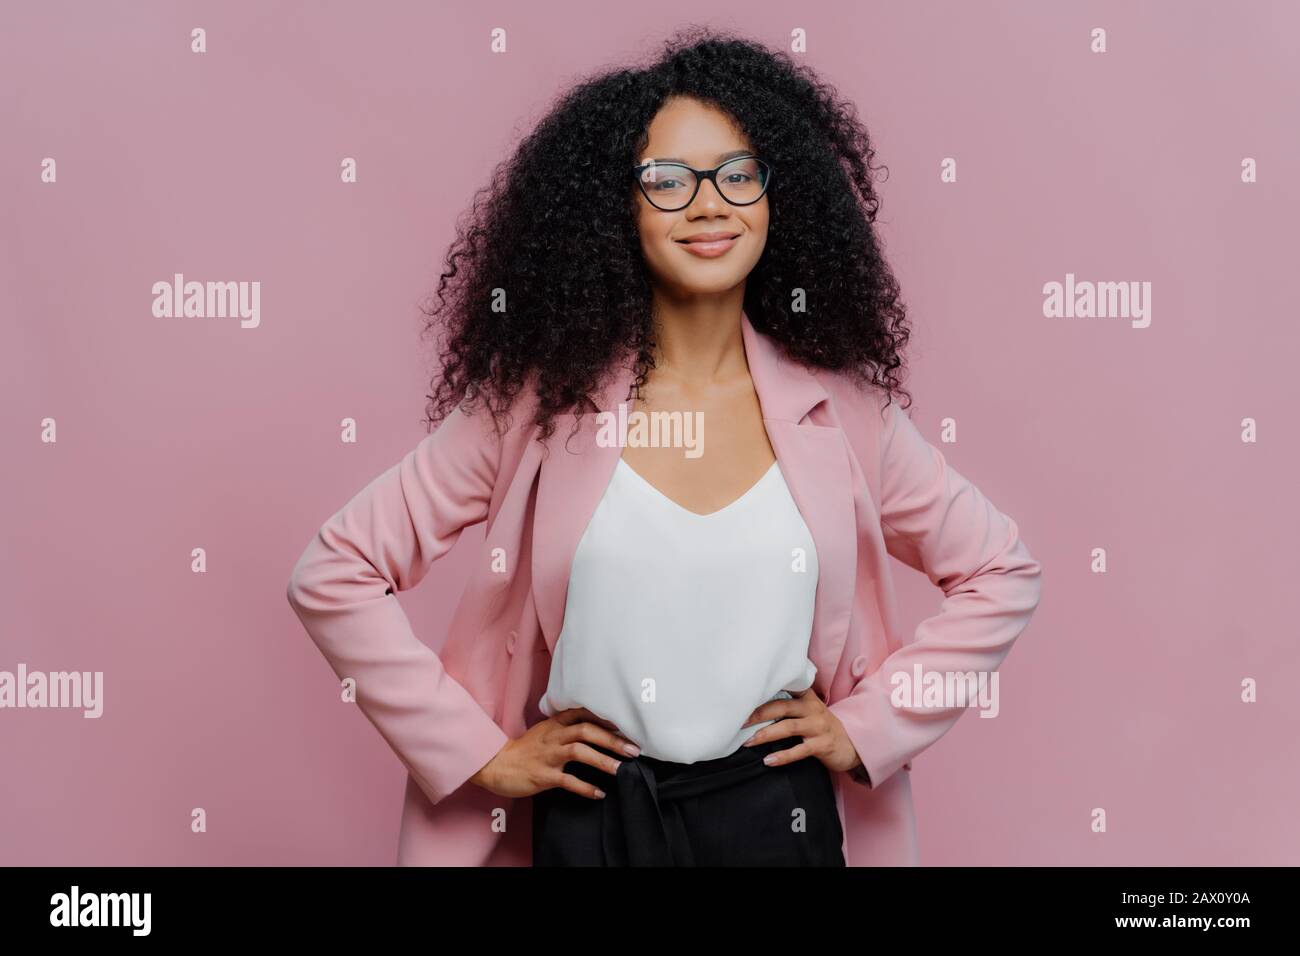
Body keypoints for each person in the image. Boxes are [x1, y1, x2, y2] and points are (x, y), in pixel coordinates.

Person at [286, 27, 1044, 867]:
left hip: (779, 824)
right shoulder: (534, 409)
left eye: (737, 175)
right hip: (594, 826)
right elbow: (335, 570)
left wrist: (869, 724)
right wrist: (477, 753)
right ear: (617, 208)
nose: (710, 203)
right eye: (669, 180)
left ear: (774, 196)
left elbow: (1001, 571)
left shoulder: (848, 415)